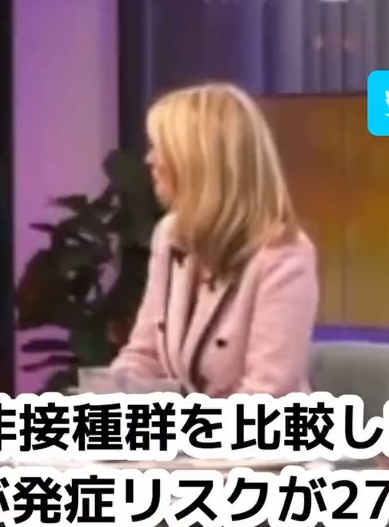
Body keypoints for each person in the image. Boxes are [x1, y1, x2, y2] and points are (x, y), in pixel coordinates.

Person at [110, 82, 319, 397]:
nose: (150, 160)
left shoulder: (284, 255)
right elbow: (145, 354)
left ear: (198, 161)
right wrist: (114, 391)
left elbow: (266, 393)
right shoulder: (170, 234)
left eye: (161, 148)